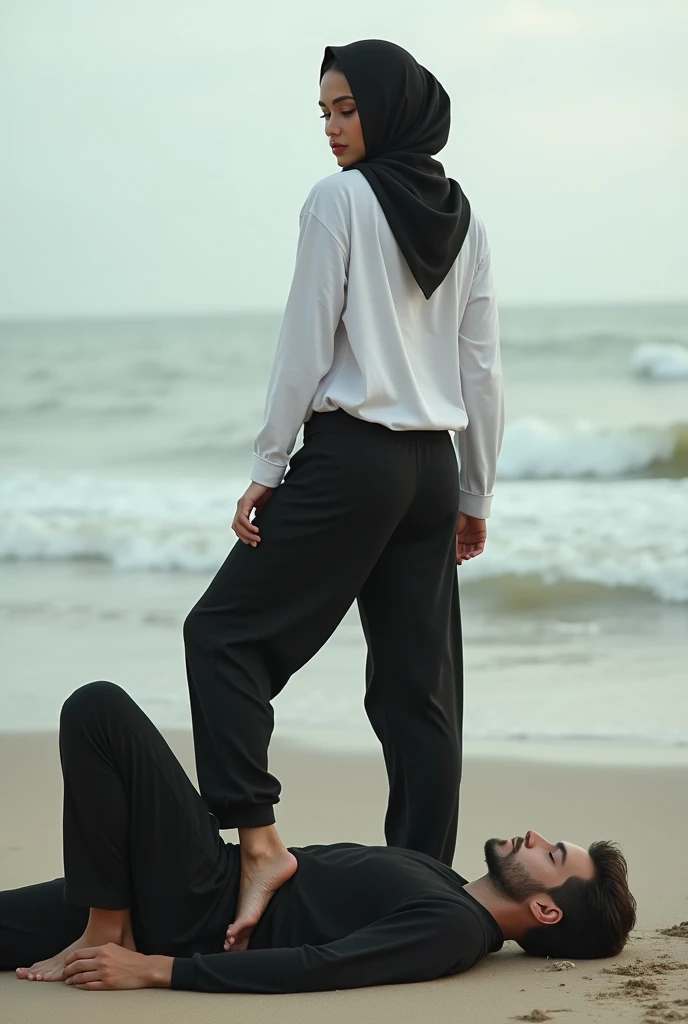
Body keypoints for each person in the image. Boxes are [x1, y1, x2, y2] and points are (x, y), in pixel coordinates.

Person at [183, 38, 504, 953]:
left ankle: (258, 842)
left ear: (391, 108)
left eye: (347, 109)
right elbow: (481, 370)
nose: (332, 128)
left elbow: (304, 345)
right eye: (324, 111)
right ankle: (425, 887)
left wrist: (268, 463)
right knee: (419, 697)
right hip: (430, 472)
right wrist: (474, 487)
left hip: (353, 461)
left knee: (222, 636)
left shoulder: (338, 202)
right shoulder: (465, 219)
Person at [3, 682, 635, 993]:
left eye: (552, 854)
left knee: (98, 709)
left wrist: (156, 970)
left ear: (545, 909)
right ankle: (108, 916)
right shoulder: (446, 885)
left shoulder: (453, 930)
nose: (535, 835)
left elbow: (323, 968)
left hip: (197, 899)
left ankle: (107, 926)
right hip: (172, 883)